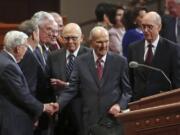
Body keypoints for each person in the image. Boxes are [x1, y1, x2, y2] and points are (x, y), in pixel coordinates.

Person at [52, 26, 132, 135]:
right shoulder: (80, 61)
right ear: (91, 42)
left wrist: (119, 105)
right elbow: (72, 89)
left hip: (112, 120)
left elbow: (127, 92)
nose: (104, 46)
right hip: (89, 121)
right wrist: (58, 104)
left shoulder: (120, 61)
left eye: (106, 41)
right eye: (99, 42)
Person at [0, 30, 54, 135]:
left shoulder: (3, 59)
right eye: (25, 46)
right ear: (18, 49)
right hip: (13, 123)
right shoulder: (8, 66)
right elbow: (21, 95)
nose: (26, 50)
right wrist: (43, 107)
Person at [47, 23, 90, 135]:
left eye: (74, 38)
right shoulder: (53, 56)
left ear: (81, 38)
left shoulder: (90, 56)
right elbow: (47, 84)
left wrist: (66, 85)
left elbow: (91, 85)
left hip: (82, 114)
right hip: (60, 115)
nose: (70, 41)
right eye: (67, 38)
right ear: (61, 38)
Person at [128, 11, 180, 101]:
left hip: (162, 102)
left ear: (159, 27)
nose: (145, 30)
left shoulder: (172, 49)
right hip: (138, 103)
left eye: (149, 27)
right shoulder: (133, 48)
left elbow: (176, 81)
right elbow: (130, 79)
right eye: (143, 26)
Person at [18, 19, 41, 96]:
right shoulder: (28, 55)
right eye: (38, 33)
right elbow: (30, 87)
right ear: (34, 34)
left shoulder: (20, 51)